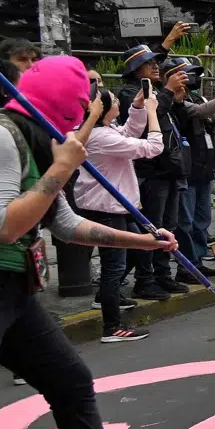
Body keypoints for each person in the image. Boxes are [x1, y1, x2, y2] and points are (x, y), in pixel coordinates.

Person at [0, 53, 187, 429]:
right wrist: (61, 169)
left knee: (69, 382)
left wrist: (144, 240)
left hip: (12, 290)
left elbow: (64, 224)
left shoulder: (42, 140)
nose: (84, 117)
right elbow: (4, 226)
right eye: (81, 107)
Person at [74, 85, 164, 340]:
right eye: (113, 100)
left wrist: (137, 108)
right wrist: (152, 111)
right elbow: (151, 148)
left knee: (136, 250)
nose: (118, 102)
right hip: (106, 207)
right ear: (101, 108)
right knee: (114, 266)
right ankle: (112, 326)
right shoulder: (100, 136)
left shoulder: (103, 130)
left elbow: (128, 134)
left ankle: (106, 296)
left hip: (116, 204)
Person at [116, 46, 190, 300]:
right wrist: (168, 92)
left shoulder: (158, 91)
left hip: (169, 169)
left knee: (168, 226)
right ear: (136, 70)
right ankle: (144, 280)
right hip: (151, 172)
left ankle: (163, 275)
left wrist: (174, 98)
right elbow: (149, 118)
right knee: (151, 228)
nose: (157, 66)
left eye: (157, 62)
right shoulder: (129, 93)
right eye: (150, 63)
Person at [170, 60, 215, 281]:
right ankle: (186, 266)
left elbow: (213, 121)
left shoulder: (198, 97)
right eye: (188, 74)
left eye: (195, 74)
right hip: (188, 170)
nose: (193, 79)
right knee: (186, 221)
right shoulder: (176, 102)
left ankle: (198, 259)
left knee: (202, 218)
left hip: (204, 168)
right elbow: (202, 112)